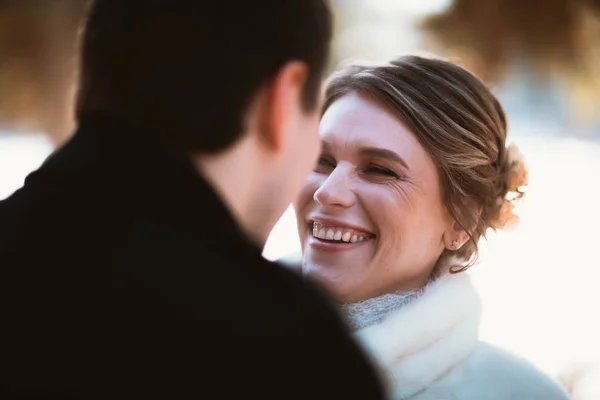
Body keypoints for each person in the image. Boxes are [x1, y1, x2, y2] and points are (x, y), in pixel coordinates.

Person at [0, 1, 385, 398]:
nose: (327, 190)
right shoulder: (278, 347)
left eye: (380, 169)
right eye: (318, 137)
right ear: (283, 100)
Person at [294, 55, 570, 399]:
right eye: (322, 160)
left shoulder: (520, 395)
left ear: (463, 219)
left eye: (380, 170)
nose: (327, 191)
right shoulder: (214, 337)